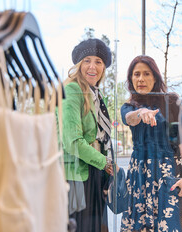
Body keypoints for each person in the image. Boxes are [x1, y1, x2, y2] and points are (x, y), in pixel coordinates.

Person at [120, 55, 182, 231]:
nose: (141, 79)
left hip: (169, 174)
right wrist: (141, 112)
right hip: (139, 178)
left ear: (155, 77)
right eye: (136, 74)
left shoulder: (171, 101)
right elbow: (129, 119)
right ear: (131, 79)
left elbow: (181, 142)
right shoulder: (129, 107)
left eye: (146, 74)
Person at [61, 38, 115, 232]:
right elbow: (72, 141)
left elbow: (104, 139)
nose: (93, 66)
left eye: (98, 62)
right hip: (77, 177)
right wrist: (106, 163)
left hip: (95, 174)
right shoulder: (72, 90)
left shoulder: (97, 96)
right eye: (87, 60)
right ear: (78, 65)